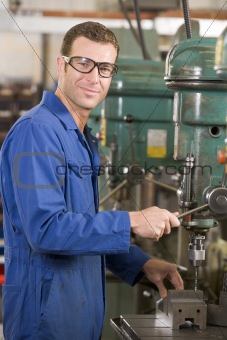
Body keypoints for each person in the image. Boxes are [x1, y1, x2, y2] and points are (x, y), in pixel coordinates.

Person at [0, 21, 183, 340]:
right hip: (45, 322)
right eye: (83, 63)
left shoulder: (81, 139)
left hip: (78, 317)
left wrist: (140, 264)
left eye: (105, 68)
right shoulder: (37, 132)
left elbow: (82, 228)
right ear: (61, 64)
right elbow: (47, 230)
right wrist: (130, 221)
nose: (94, 77)